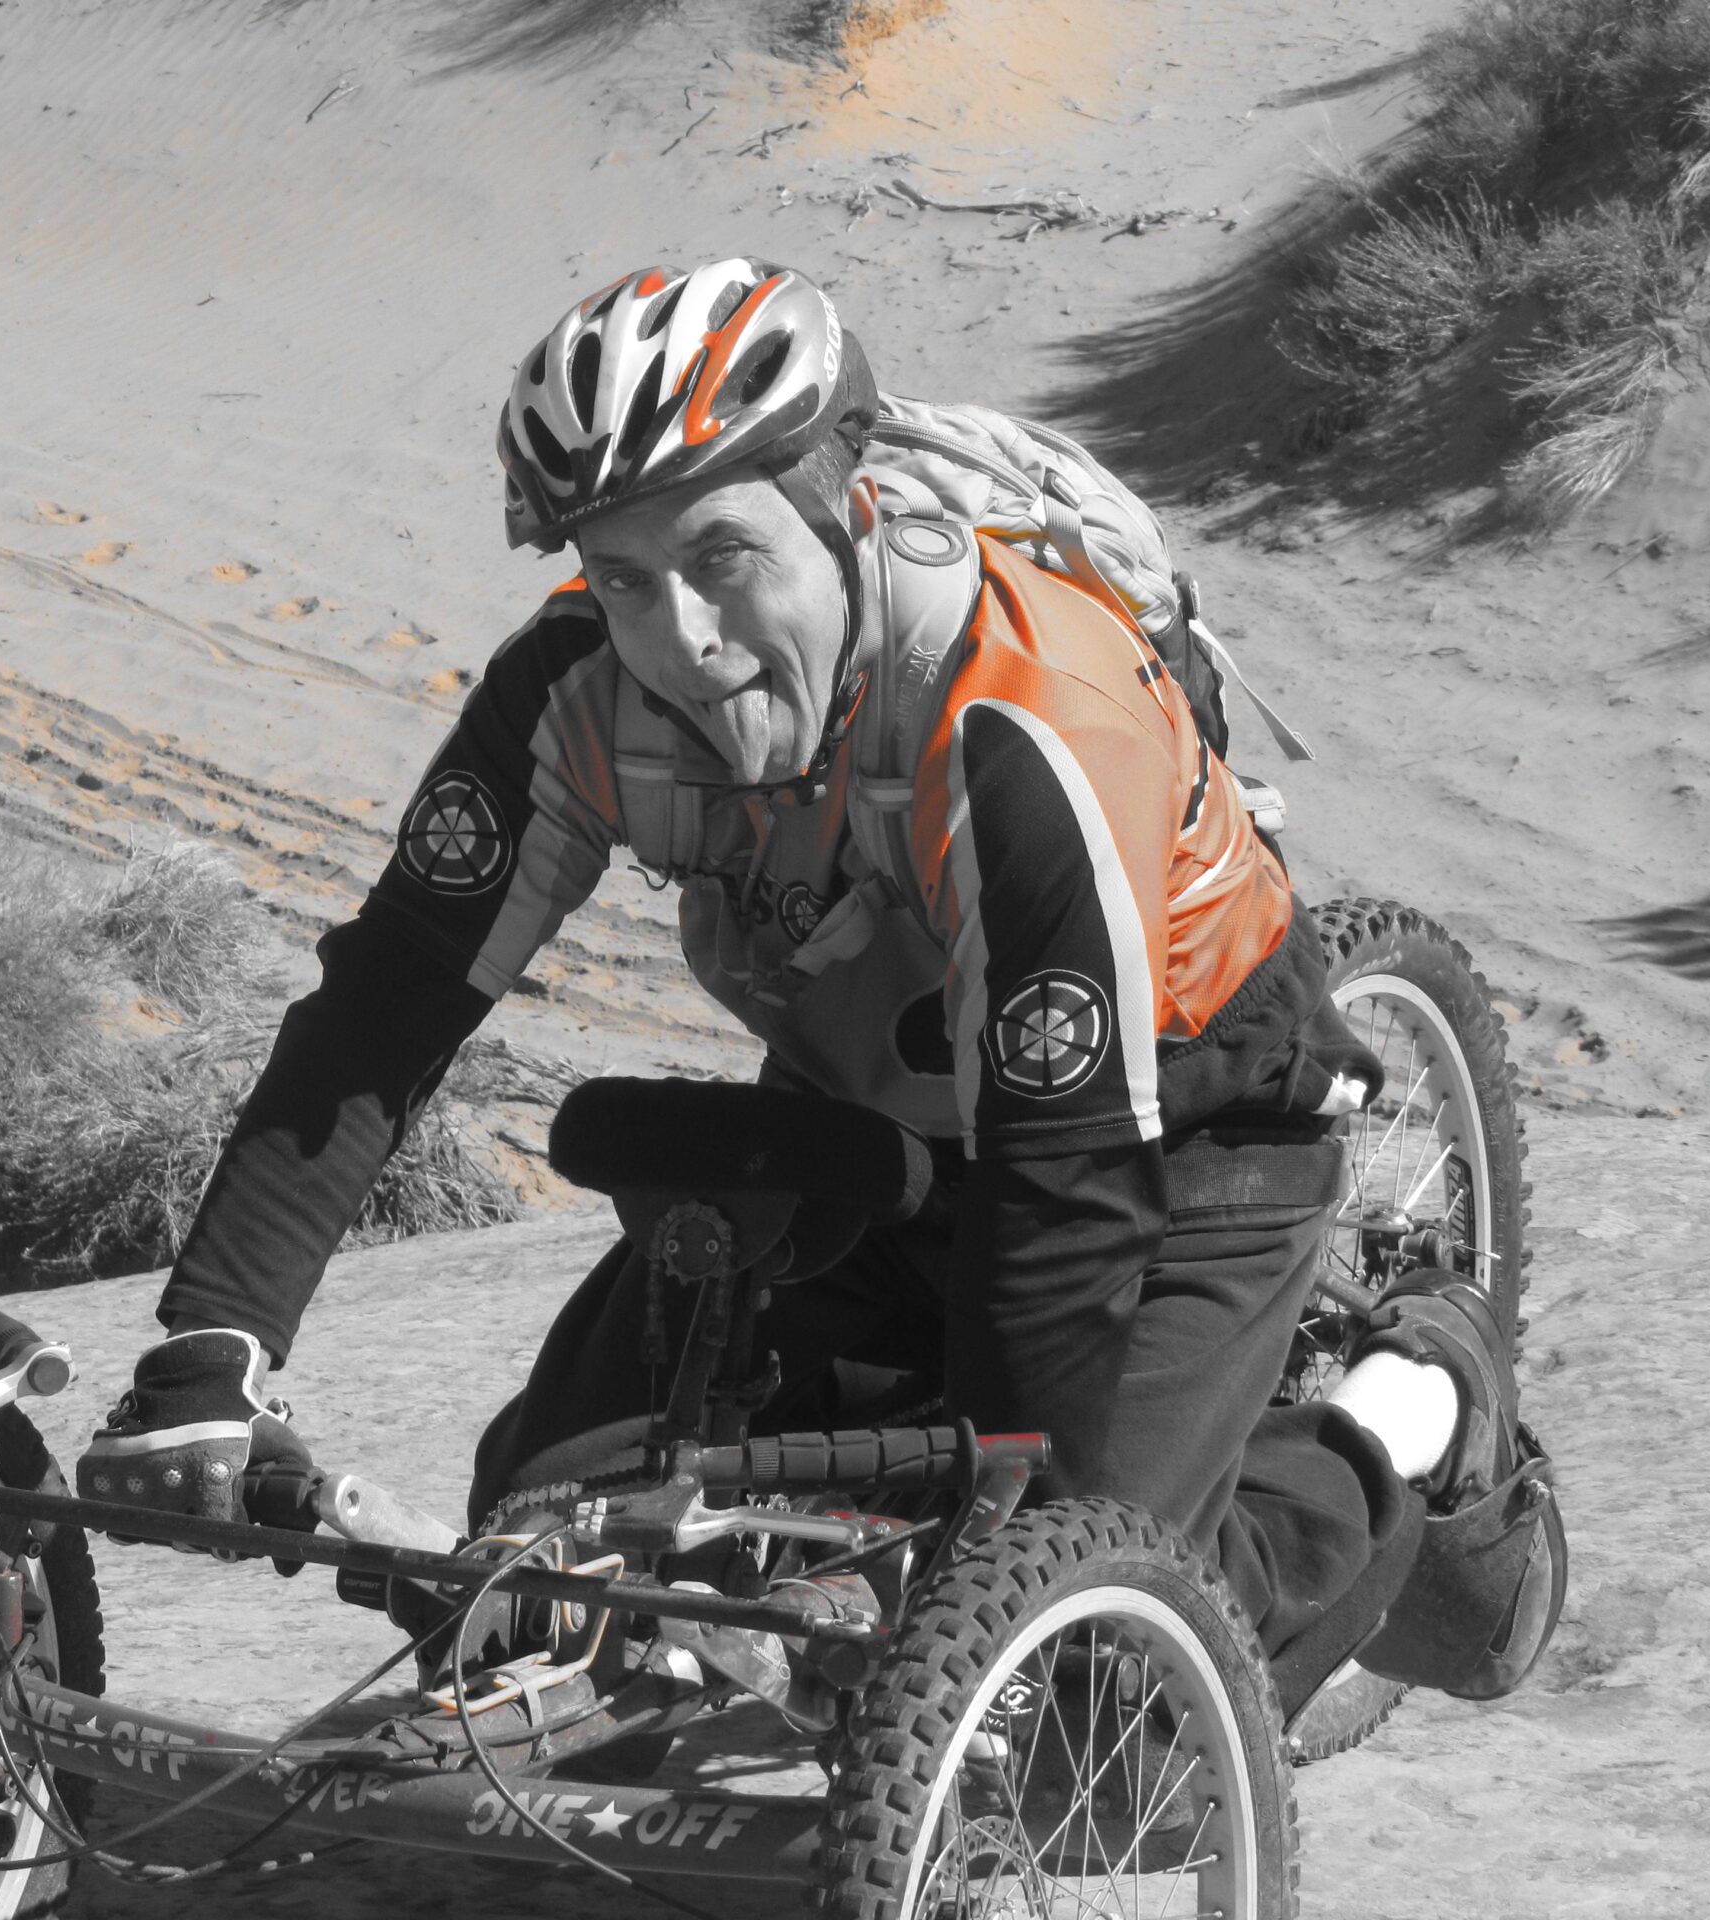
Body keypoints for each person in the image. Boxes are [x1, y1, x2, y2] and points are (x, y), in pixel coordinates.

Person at [80, 258, 1557, 1682]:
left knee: (1082, 1670)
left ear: (845, 504)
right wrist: (215, 1341)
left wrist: (994, 1587)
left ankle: (1408, 1405)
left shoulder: (1023, 722)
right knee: (547, 1552)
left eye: (724, 555)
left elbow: (1064, 1184)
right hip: (883, 1123)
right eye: (623, 575)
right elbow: (389, 1003)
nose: (684, 640)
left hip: (1175, 1142)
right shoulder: (578, 690)